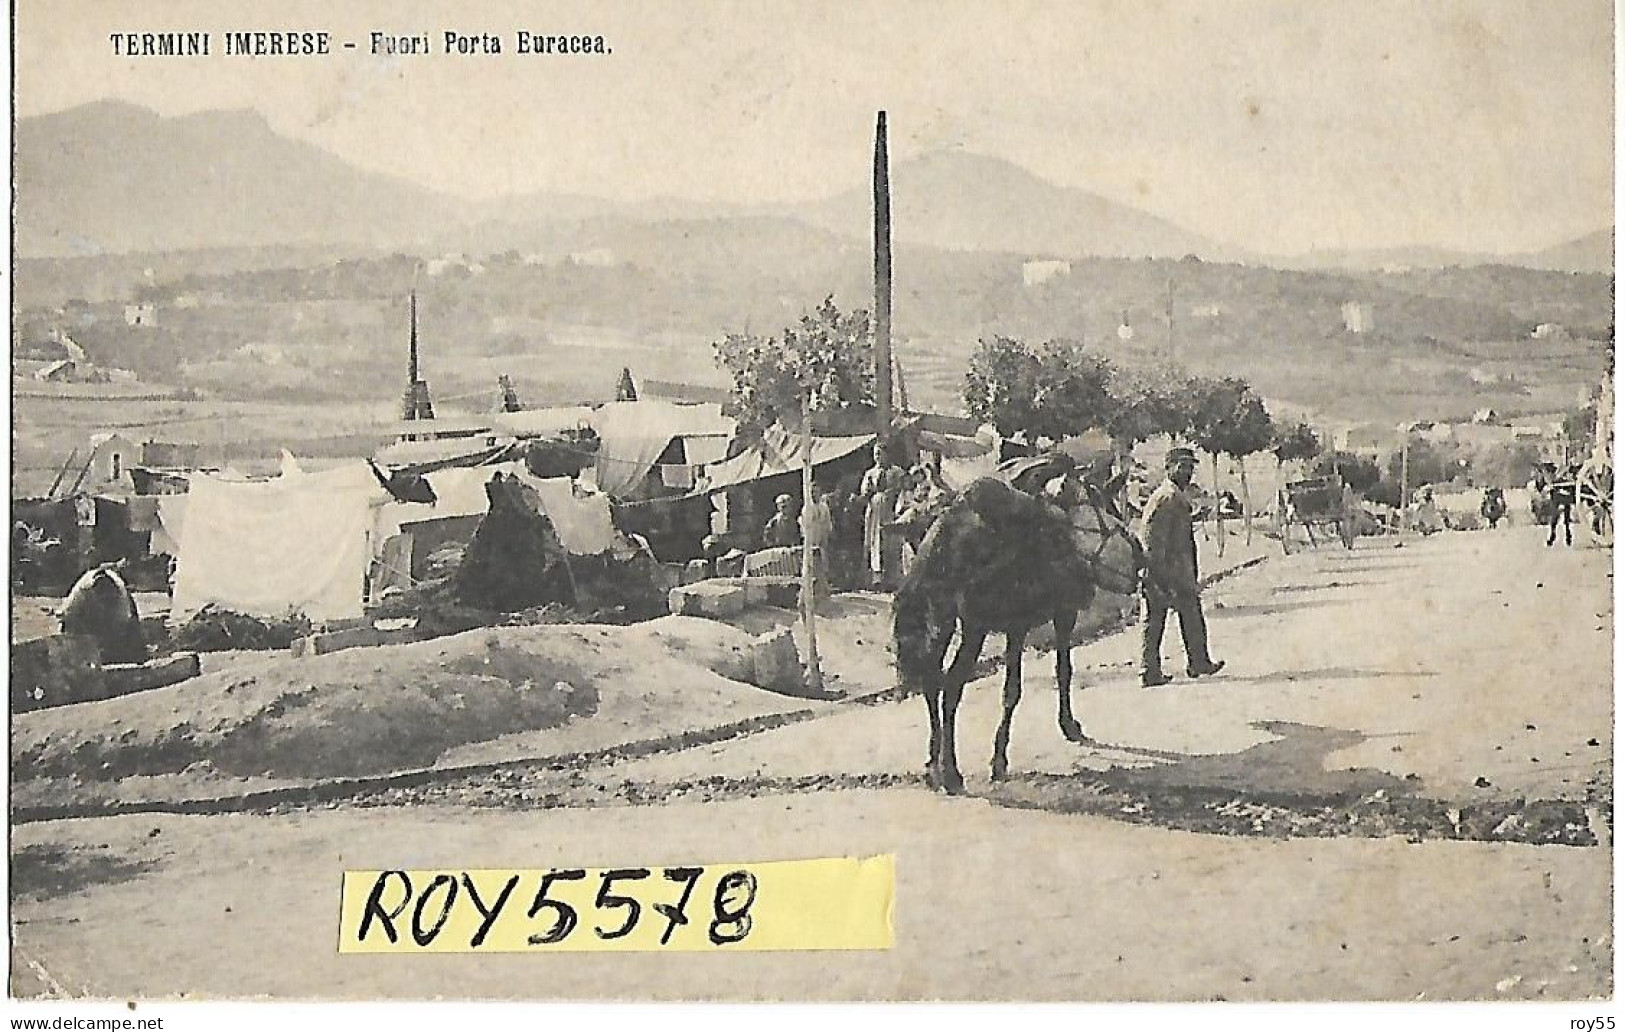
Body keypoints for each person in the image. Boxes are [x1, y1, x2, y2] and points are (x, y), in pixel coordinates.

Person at [1139, 446, 1224, 688]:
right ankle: (1151, 670)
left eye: (1190, 467)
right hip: (1166, 571)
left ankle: (1196, 663)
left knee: (1185, 615)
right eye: (1182, 466)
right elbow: (1154, 540)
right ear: (1168, 468)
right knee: (1158, 618)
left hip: (1176, 570)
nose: (1187, 472)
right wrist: (1161, 576)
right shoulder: (1167, 497)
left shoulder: (1174, 495)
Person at [1547, 462, 1580, 546]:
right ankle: (1554, 534)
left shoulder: (1569, 469)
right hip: (1558, 493)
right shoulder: (1557, 469)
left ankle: (1567, 534)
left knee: (1566, 517)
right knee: (1555, 516)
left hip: (1566, 492)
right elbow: (1553, 481)